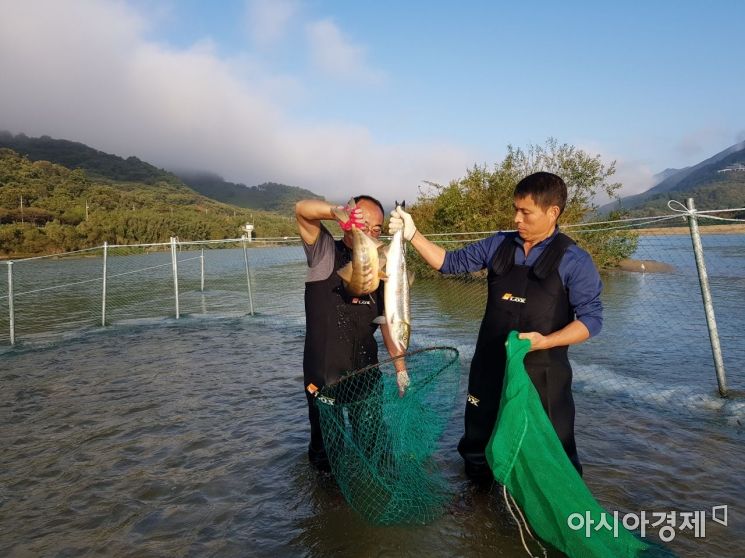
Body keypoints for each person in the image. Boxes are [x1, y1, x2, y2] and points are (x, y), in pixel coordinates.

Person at [389, 172, 602, 480]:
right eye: (515, 209)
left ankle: (555, 512)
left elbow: (591, 320)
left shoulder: (574, 259)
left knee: (554, 446)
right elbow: (449, 263)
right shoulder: (498, 244)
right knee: (478, 437)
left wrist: (544, 341)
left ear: (552, 212)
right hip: (489, 362)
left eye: (525, 212)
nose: (517, 218)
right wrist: (412, 235)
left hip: (542, 369)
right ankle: (477, 501)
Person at [296, 196, 408, 471]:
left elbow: (389, 321)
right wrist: (336, 212)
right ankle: (325, 502)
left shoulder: (381, 266)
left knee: (374, 451)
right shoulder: (323, 252)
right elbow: (302, 211)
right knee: (327, 456)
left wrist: (401, 368)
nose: (370, 232)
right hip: (324, 377)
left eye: (377, 229)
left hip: (365, 375)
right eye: (364, 224)